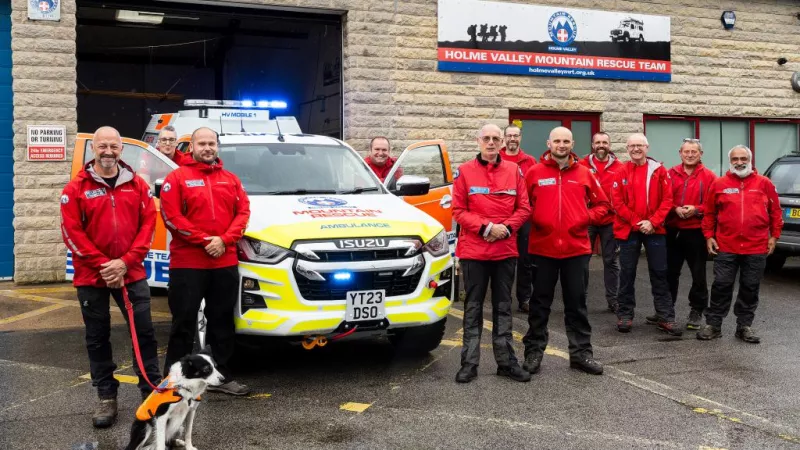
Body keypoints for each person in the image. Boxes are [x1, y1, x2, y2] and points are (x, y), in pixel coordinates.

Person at [60, 126, 160, 428]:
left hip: (131, 273)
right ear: (93, 149)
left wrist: (125, 263)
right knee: (97, 336)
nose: (108, 151)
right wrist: (106, 264)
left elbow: (148, 227)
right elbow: (71, 233)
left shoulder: (138, 186)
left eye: (113, 146)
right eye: (102, 146)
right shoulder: (75, 189)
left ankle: (151, 392)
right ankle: (106, 396)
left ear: (121, 149)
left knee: (143, 332)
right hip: (92, 276)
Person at [160, 127, 252, 395]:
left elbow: (243, 213)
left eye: (212, 143)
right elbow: (172, 218)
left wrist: (224, 240)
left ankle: (221, 376)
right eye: (202, 143)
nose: (208, 148)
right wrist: (205, 241)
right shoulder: (176, 178)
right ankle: (174, 380)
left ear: (217, 146)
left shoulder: (231, 180)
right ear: (192, 146)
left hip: (223, 262)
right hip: (188, 264)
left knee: (222, 321)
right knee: (183, 322)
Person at [522, 127, 610, 376]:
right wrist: (536, 218)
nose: (561, 145)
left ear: (573, 144)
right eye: (557, 141)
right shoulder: (534, 173)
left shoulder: (584, 173)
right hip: (542, 249)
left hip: (576, 249)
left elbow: (603, 205)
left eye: (566, 141)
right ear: (548, 142)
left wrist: (585, 217)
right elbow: (522, 204)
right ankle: (534, 352)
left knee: (577, 304)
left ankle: (581, 354)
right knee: (539, 305)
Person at [452, 123, 532, 383]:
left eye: (495, 138)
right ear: (478, 141)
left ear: (501, 143)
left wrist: (505, 229)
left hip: (504, 251)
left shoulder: (514, 170)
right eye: (486, 138)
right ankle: (469, 364)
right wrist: (486, 227)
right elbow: (458, 211)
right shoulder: (464, 171)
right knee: (473, 308)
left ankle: (507, 362)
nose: (491, 143)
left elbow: (524, 208)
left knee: (503, 307)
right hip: (474, 252)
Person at [698, 145, 782, 343]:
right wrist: (709, 236)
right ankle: (714, 325)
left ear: (750, 160)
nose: (739, 162)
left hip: (756, 246)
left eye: (743, 158)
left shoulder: (765, 184)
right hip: (726, 246)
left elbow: (776, 212)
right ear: (730, 161)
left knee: (750, 287)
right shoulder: (719, 184)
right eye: (735, 159)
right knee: (721, 285)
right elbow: (709, 213)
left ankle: (744, 326)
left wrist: (774, 236)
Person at [611, 133, 682, 336]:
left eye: (639, 145)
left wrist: (653, 222)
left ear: (647, 147)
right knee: (627, 274)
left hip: (655, 229)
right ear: (627, 148)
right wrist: (637, 221)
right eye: (632, 146)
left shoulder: (659, 171)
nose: (636, 149)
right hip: (628, 230)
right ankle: (625, 315)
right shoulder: (620, 172)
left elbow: (668, 199)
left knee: (660, 273)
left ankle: (666, 317)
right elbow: (617, 203)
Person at [663, 139, 717, 330]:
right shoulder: (669, 174)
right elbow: (662, 199)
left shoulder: (710, 176)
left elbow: (713, 205)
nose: (690, 154)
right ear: (680, 153)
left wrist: (696, 209)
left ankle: (697, 310)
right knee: (669, 273)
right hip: (673, 230)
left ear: (700, 154)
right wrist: (674, 208)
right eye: (687, 151)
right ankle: (666, 311)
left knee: (698, 274)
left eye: (694, 151)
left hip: (696, 232)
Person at [580, 132, 621, 313]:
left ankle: (613, 300)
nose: (601, 145)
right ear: (592, 144)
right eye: (598, 142)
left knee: (611, 261)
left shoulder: (620, 167)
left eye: (605, 142)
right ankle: (580, 297)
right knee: (582, 260)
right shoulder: (581, 165)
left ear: (609, 145)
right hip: (587, 219)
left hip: (610, 221)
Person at [499, 124, 537, 313]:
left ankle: (525, 298)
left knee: (525, 260)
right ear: (504, 138)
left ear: (520, 138)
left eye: (516, 136)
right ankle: (503, 298)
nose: (512, 139)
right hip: (502, 216)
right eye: (509, 135)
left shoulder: (530, 161)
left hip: (525, 216)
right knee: (503, 259)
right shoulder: (495, 158)